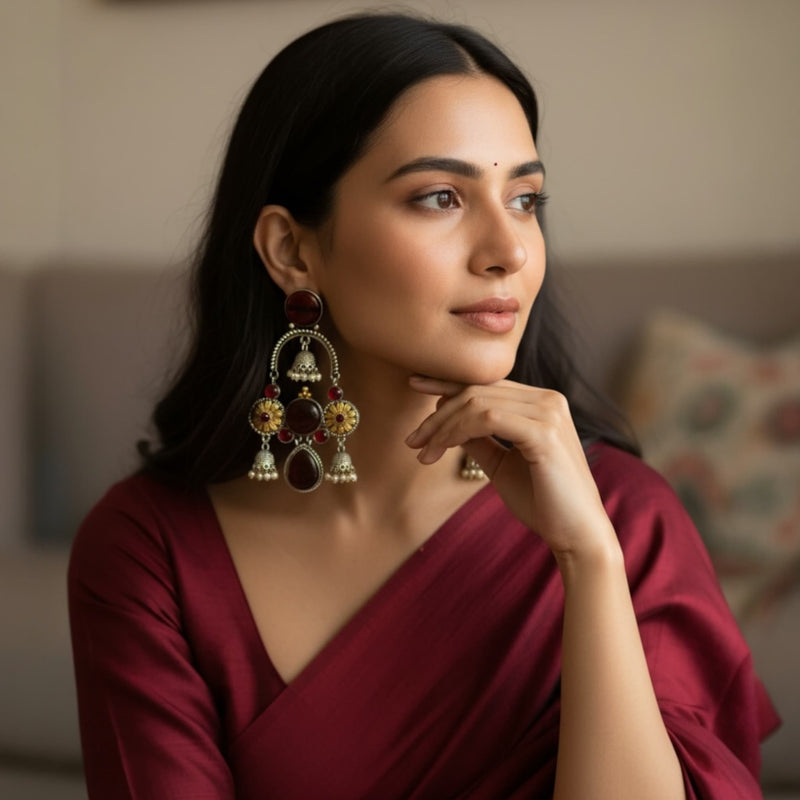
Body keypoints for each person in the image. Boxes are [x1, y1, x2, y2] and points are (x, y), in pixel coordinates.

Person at [68, 12, 779, 800]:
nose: (508, 250)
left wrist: (590, 562)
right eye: (441, 197)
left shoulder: (627, 520)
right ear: (292, 250)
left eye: (526, 199)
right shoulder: (149, 553)